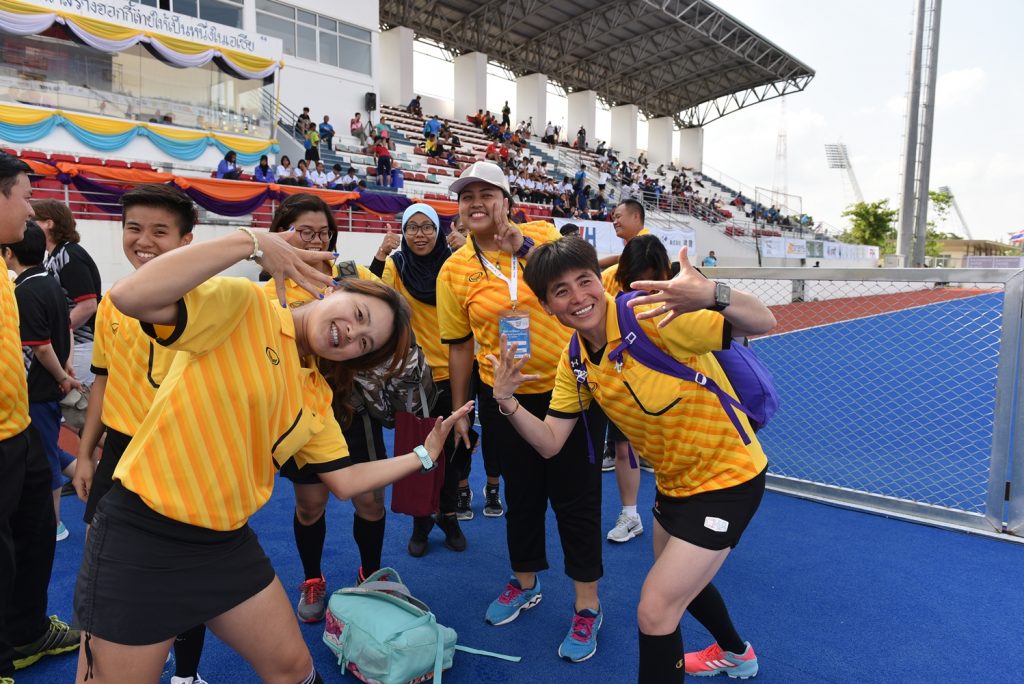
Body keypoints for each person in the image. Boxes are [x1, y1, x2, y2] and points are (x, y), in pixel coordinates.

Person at [72, 203, 472, 684]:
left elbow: (345, 480)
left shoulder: (315, 392)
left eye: (365, 343)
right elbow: (131, 296)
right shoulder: (247, 305)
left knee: (294, 670)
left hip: (225, 540)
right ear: (335, 288)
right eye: (359, 314)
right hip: (143, 534)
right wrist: (252, 241)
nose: (352, 333)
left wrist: (424, 454)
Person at [490, 237, 775, 683]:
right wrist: (506, 400)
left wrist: (712, 294)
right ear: (547, 306)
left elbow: (763, 320)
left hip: (729, 477)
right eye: (561, 291)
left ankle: (734, 653)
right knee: (679, 584)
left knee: (656, 609)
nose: (578, 296)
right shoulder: (576, 360)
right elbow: (549, 442)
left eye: (584, 281)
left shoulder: (650, 315)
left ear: (599, 279)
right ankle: (737, 654)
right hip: (675, 484)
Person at [437, 161, 606, 662]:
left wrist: (523, 249)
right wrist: (461, 408)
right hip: (504, 396)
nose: (476, 203)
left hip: (571, 388)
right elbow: (459, 345)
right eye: (467, 196)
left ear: (508, 201)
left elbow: (580, 289)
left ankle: (587, 605)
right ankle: (525, 581)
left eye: (487, 194)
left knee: (576, 500)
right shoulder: (454, 270)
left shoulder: (543, 235)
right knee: (523, 496)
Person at [70, 184, 209, 684]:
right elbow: (102, 383)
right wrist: (86, 454)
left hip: (182, 453)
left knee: (184, 572)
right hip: (120, 451)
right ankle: (118, 656)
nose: (143, 241)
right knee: (105, 565)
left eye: (159, 231)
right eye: (134, 228)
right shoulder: (113, 302)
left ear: (186, 240)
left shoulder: (210, 303)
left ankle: (186, 674)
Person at [262, 195, 397, 624]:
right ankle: (312, 578)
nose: (316, 241)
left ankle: (370, 575)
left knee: (370, 502)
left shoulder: (351, 279)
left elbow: (385, 328)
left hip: (354, 409)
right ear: (281, 233)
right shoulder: (267, 292)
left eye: (324, 233)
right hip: (302, 414)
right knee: (310, 505)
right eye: (305, 232)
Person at [0, 153, 81, 682]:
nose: (32, 211)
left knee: (34, 534)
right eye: (26, 197)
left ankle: (26, 633)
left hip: (20, 426)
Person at [370, 204, 474, 556]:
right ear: (403, 232)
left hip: (458, 372)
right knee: (419, 453)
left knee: (456, 452)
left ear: (439, 230)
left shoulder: (456, 263)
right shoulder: (396, 266)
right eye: (412, 227)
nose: (419, 234)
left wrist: (469, 252)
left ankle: (448, 514)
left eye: (427, 226)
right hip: (413, 378)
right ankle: (421, 520)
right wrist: (379, 256)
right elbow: (374, 299)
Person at [4, 221, 81, 542]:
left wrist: (63, 375)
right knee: (48, 448)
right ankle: (95, 479)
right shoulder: (50, 281)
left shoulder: (25, 291)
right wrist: (67, 368)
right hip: (49, 385)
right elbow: (66, 329)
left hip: (38, 389)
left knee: (45, 455)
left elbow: (41, 346)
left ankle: (55, 525)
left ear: (10, 253)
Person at [34, 199, 102, 393]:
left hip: (82, 344)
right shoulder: (54, 257)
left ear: (49, 223)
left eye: (33, 221)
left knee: (77, 404)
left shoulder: (69, 255)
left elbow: (88, 305)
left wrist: (58, 332)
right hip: (73, 344)